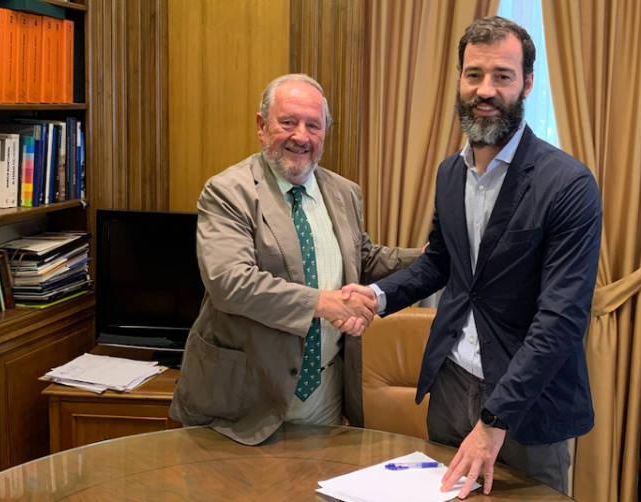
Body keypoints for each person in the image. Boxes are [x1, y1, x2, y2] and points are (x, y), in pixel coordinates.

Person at [347, 16, 602, 496]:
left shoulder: (568, 184)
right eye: (473, 75)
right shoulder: (449, 173)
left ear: (526, 83)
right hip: (451, 383)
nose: (485, 90)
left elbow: (561, 320)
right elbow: (439, 262)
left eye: (502, 76)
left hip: (528, 402)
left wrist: (494, 419)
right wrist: (376, 296)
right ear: (460, 79)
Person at [169, 74, 421, 446]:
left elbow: (363, 258)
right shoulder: (228, 192)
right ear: (261, 125)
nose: (301, 136)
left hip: (324, 394)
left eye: (313, 126)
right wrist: (325, 302)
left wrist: (431, 257)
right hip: (243, 399)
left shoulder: (344, 192)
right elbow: (230, 283)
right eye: (288, 122)